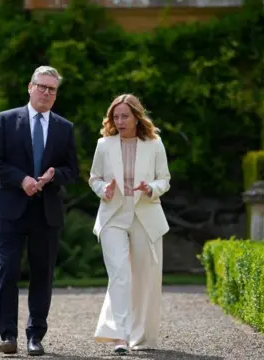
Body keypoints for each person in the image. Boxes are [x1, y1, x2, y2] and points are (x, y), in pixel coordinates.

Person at [0, 65, 79, 356]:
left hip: (46, 211)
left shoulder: (64, 127)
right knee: (8, 269)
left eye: (52, 89)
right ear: (30, 87)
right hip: (10, 208)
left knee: (42, 274)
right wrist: (21, 179)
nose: (47, 93)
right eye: (42, 87)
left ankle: (34, 336)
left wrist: (53, 176)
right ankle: (8, 336)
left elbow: (72, 170)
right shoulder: (7, 119)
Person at [88, 94, 171, 354]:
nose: (120, 121)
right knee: (120, 274)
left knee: (145, 278)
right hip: (113, 216)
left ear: (137, 117)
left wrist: (150, 188)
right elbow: (94, 178)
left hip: (145, 215)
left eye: (125, 116)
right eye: (116, 116)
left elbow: (164, 179)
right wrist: (105, 190)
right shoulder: (103, 144)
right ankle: (119, 337)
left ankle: (140, 336)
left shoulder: (155, 144)